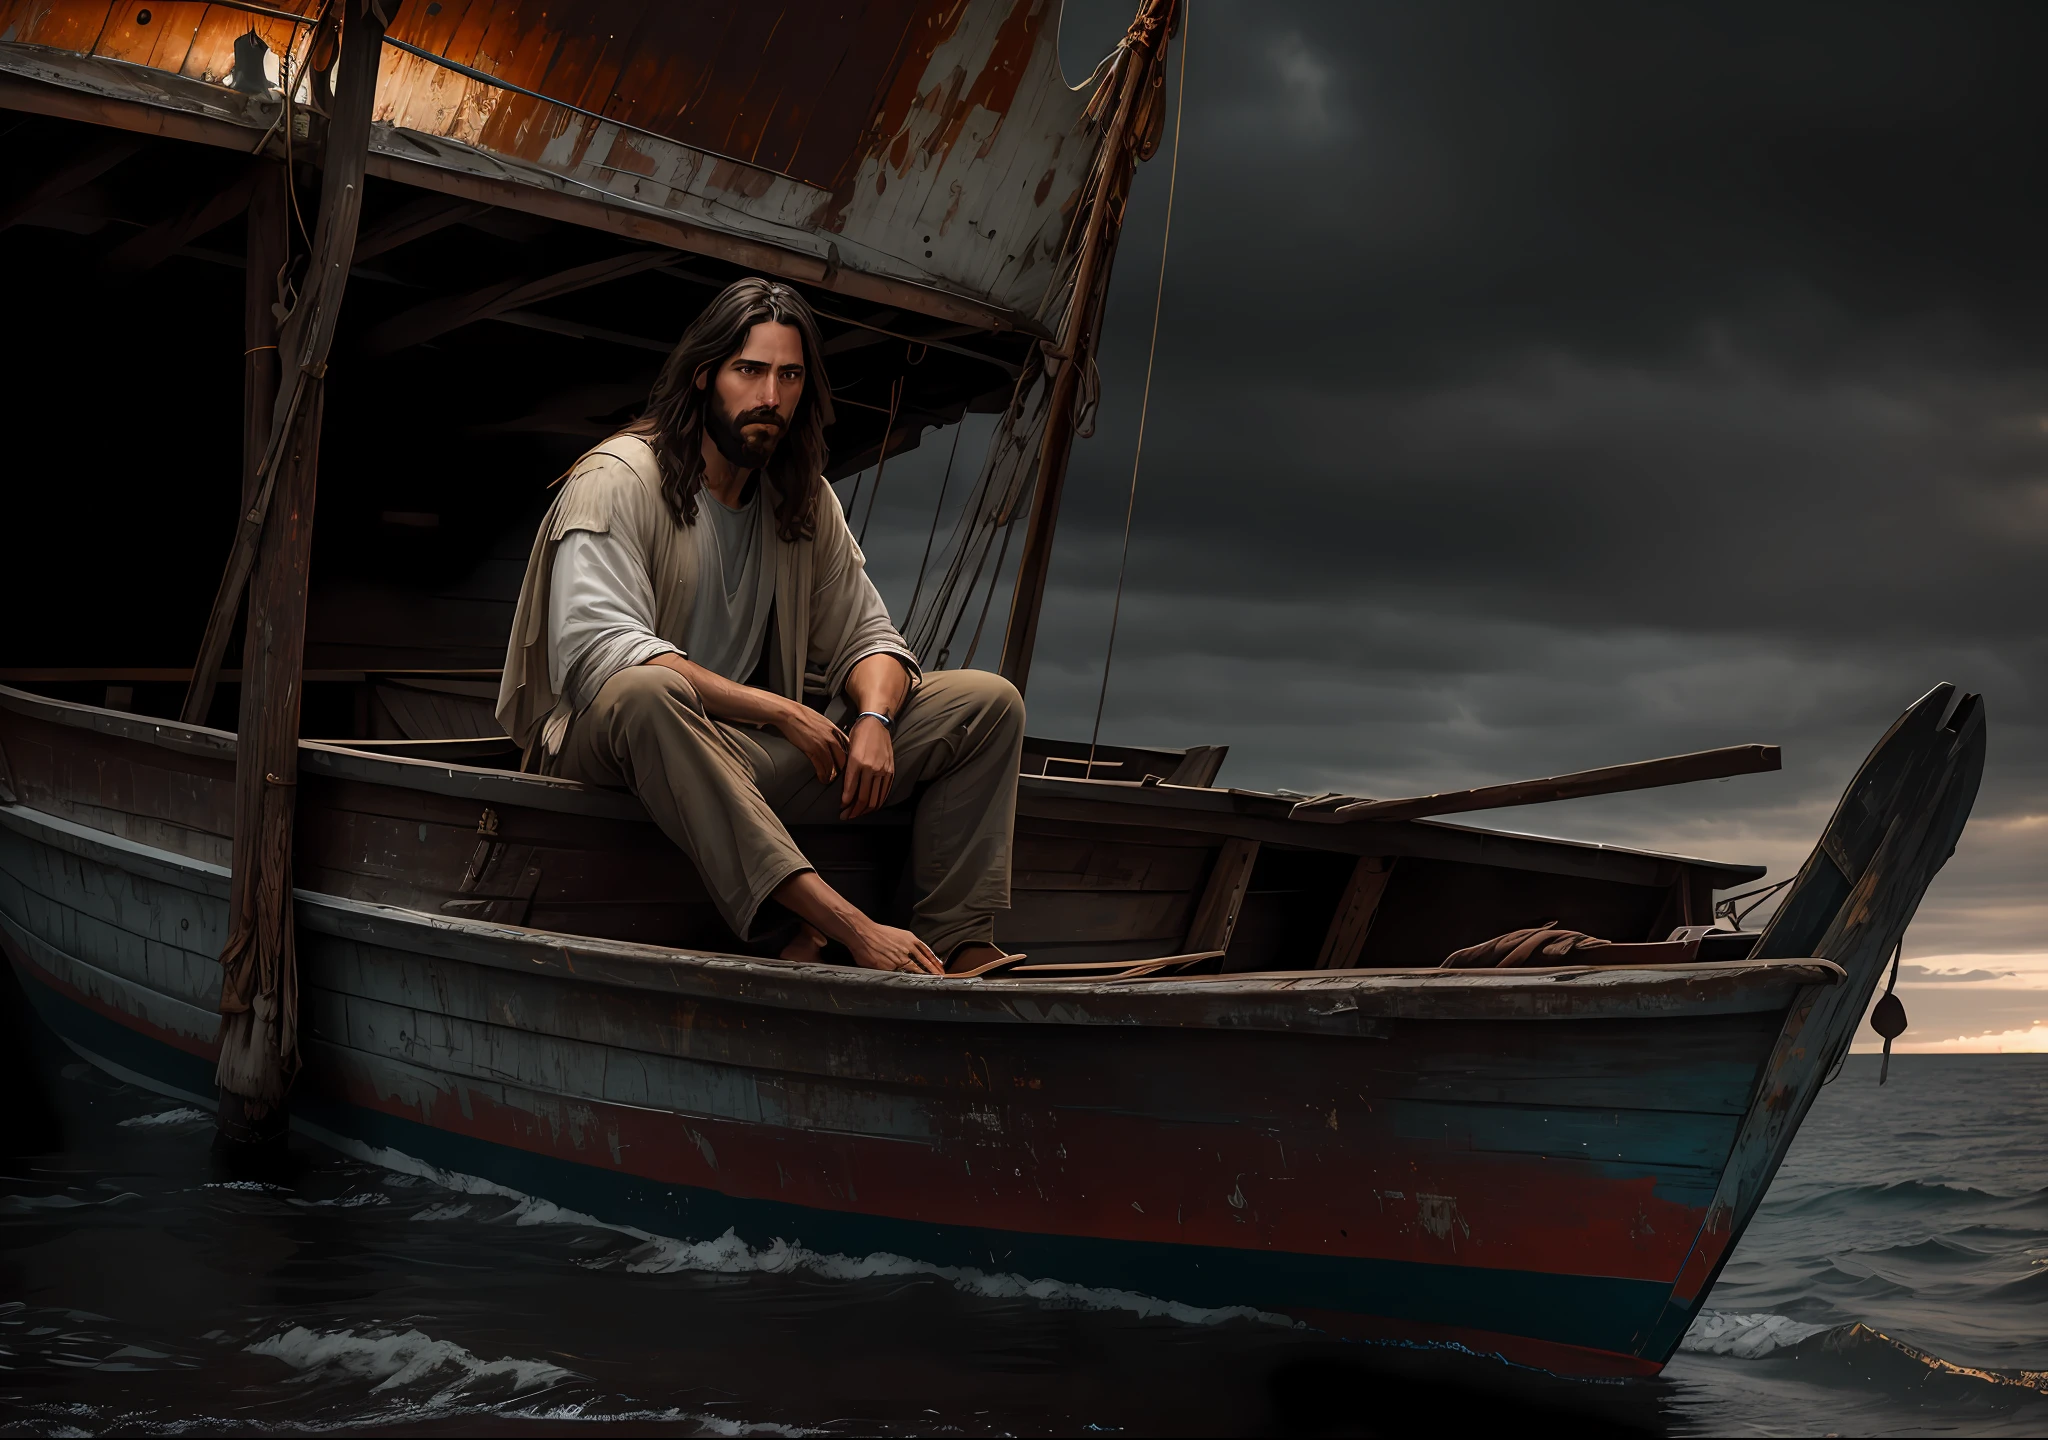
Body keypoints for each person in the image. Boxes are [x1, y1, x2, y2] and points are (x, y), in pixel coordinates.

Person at [496, 277, 1022, 976]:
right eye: (750, 371)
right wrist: (781, 710)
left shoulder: (800, 495)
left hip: (735, 757)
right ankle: (842, 926)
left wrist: (875, 717)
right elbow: (604, 656)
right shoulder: (619, 479)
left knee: (985, 705)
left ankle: (956, 939)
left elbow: (871, 637)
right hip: (611, 752)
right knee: (645, 694)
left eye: (789, 375)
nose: (770, 397)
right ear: (704, 375)